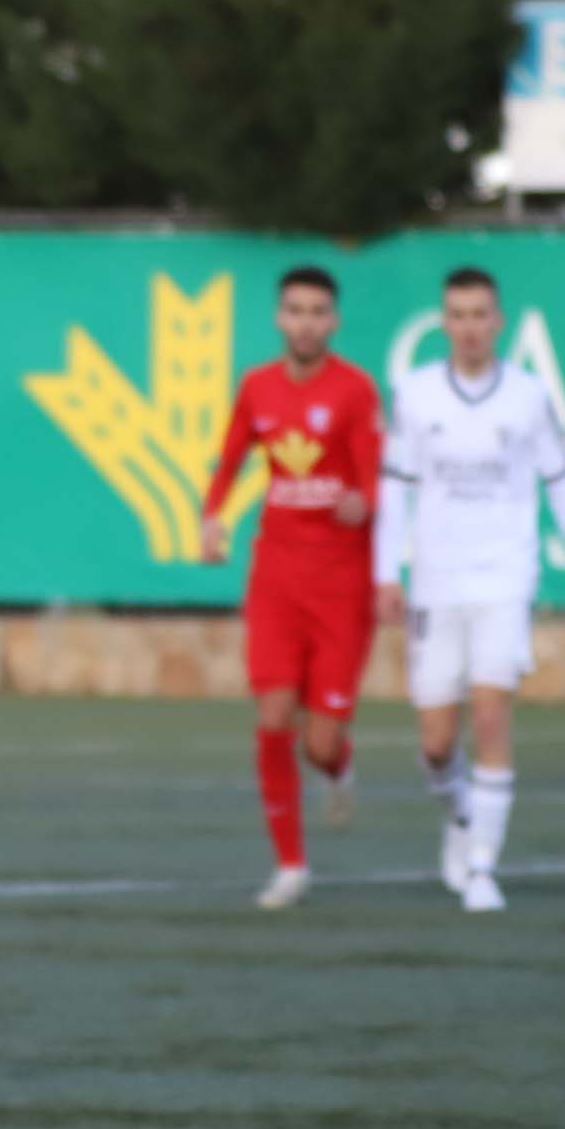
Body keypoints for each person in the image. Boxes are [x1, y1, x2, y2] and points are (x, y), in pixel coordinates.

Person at [374, 265, 565, 914]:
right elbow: (395, 487)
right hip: (436, 580)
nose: (470, 328)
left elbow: (557, 478)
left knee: (490, 714)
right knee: (435, 742)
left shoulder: (529, 396)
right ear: (444, 322)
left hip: (504, 576)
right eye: (457, 316)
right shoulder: (415, 393)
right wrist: (385, 572)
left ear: (499, 321)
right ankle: (460, 817)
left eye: (481, 315)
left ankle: (483, 865)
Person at [196, 266, 381, 909]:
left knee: (318, 742)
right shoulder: (257, 386)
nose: (305, 323)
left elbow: (374, 474)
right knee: (273, 715)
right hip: (276, 575)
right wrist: (212, 516)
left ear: (334, 321)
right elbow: (230, 456)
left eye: (317, 312)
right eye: (295, 310)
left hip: (341, 583)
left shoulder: (355, 389)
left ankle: (339, 764)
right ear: (280, 318)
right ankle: (291, 865)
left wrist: (364, 501)